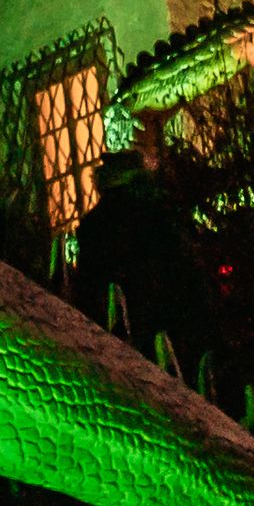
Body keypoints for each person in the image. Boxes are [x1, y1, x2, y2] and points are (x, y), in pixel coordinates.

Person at [72, 151, 223, 387]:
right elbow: (188, 271)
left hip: (126, 331)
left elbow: (88, 288)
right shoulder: (160, 213)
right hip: (170, 319)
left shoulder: (96, 226)